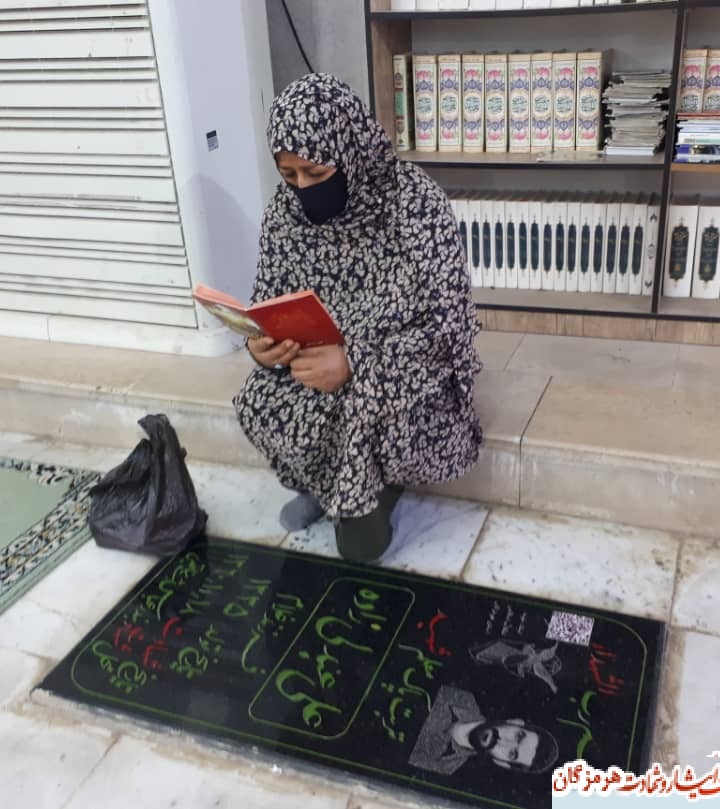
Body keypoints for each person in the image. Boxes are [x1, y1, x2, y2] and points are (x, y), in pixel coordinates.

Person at [233, 74, 483, 563]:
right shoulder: (285, 213)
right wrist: (261, 347)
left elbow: (448, 330)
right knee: (259, 395)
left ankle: (374, 492)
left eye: (316, 173)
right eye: (289, 175)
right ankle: (326, 486)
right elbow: (268, 301)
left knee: (360, 551)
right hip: (315, 366)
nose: (302, 189)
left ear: (350, 150)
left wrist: (355, 362)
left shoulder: (413, 202)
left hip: (400, 371)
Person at [408, 685, 560, 776]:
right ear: (514, 722)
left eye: (512, 754)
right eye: (518, 736)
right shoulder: (456, 691)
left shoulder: (443, 767)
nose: (503, 741)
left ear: (502, 764)